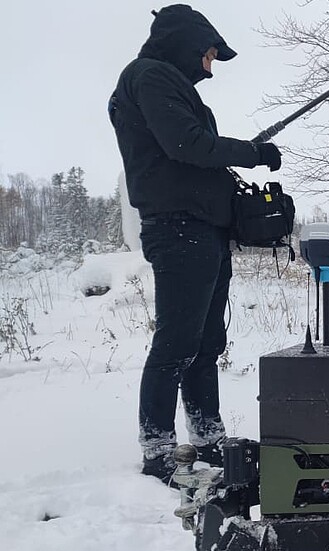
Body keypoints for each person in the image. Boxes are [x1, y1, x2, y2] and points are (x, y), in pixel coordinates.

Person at [108, 4, 283, 482]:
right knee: (177, 343)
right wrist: (253, 153)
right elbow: (185, 145)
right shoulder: (149, 77)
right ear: (186, 45)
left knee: (205, 343)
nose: (210, 66)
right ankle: (158, 450)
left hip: (203, 229)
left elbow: (194, 152)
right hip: (178, 228)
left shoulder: (173, 85)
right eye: (207, 55)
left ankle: (207, 438)